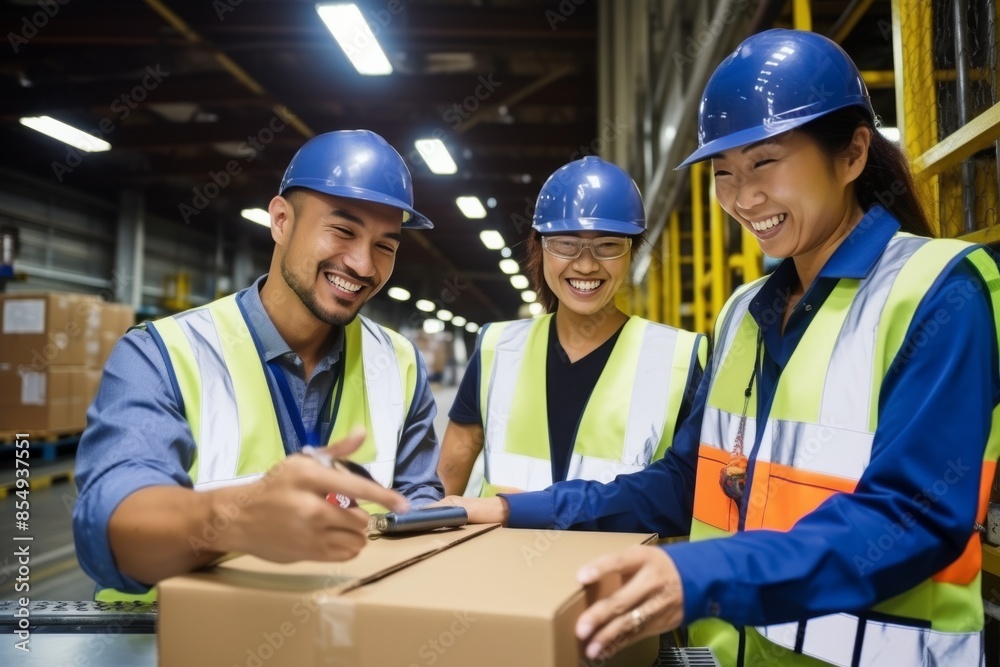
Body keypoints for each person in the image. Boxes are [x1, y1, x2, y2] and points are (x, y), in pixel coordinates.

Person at [438, 29, 1000, 666]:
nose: (743, 197)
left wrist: (700, 576)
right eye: (724, 174)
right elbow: (684, 482)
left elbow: (912, 514)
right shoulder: (742, 314)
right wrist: (508, 509)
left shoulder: (936, 293)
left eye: (764, 163)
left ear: (852, 155)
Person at [73, 130, 445, 601]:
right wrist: (233, 519)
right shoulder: (161, 354)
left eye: (385, 247)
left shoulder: (400, 363)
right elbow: (109, 530)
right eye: (343, 230)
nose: (363, 265)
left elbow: (420, 508)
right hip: (176, 641)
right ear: (282, 221)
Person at [438, 156, 706, 497]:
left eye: (607, 245)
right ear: (540, 247)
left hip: (621, 553)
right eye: (566, 243)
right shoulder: (497, 349)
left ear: (631, 252)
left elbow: (687, 494)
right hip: (501, 550)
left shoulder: (680, 360)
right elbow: (447, 480)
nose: (585, 264)